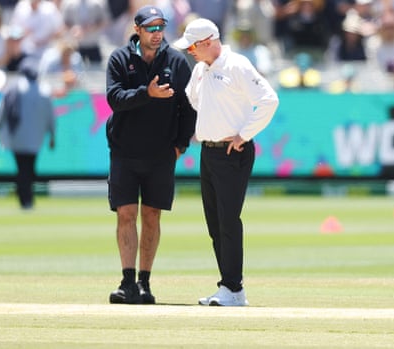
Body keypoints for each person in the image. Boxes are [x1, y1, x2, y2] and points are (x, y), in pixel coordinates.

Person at [174, 18, 279, 306]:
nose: (190, 51)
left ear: (208, 42)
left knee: (228, 221)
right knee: (215, 223)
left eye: (193, 46)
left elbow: (269, 100)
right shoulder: (200, 68)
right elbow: (194, 100)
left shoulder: (237, 65)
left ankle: (233, 287)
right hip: (208, 152)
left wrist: (243, 134)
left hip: (233, 152)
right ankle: (231, 288)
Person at [105, 5, 196, 304]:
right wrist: (147, 93)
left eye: (161, 28)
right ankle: (127, 281)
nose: (157, 34)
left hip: (160, 154)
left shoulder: (176, 61)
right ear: (138, 29)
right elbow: (115, 99)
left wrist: (180, 144)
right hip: (124, 152)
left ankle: (144, 283)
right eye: (151, 28)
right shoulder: (120, 58)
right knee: (126, 214)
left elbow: (189, 106)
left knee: (152, 215)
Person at [0, 58, 55, 210]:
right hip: (35, 139)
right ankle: (27, 199)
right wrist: (52, 135)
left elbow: (2, 112)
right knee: (29, 169)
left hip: (17, 138)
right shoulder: (43, 91)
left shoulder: (13, 89)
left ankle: (24, 198)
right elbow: (50, 117)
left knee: (22, 169)